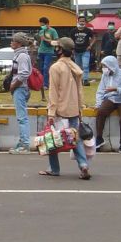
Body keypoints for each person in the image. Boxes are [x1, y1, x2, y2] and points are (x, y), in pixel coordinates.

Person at [41, 38, 90, 179]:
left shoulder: (56, 67)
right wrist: (81, 109)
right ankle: (83, 165)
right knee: (75, 139)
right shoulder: (75, 67)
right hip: (74, 109)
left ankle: (54, 169)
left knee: (52, 139)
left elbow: (53, 93)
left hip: (59, 110)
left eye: (57, 47)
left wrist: (51, 113)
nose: (55, 49)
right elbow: (80, 91)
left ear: (60, 50)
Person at [95, 55, 121, 154]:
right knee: (101, 112)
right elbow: (100, 91)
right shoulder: (105, 75)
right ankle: (99, 138)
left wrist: (116, 89)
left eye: (106, 66)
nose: (104, 69)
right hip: (111, 98)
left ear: (112, 66)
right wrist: (98, 103)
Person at [7, 32, 34, 154]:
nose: (11, 42)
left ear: (18, 43)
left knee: (22, 118)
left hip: (20, 89)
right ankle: (22, 142)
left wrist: (13, 85)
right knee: (21, 117)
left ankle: (25, 145)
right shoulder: (20, 55)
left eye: (13, 40)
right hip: (21, 88)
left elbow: (23, 74)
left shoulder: (22, 56)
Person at [36, 17, 58, 89]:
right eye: (41, 25)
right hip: (41, 51)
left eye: (43, 25)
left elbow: (56, 41)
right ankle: (40, 84)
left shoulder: (53, 31)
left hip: (49, 52)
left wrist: (47, 40)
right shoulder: (41, 31)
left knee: (46, 68)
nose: (41, 26)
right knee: (40, 68)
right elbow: (40, 40)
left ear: (47, 24)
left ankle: (46, 84)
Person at [71, 18, 94, 86]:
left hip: (85, 51)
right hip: (76, 51)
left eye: (83, 21)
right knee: (78, 66)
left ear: (85, 22)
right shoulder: (73, 31)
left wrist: (90, 45)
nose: (82, 23)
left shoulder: (88, 30)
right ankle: (79, 80)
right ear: (78, 21)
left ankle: (85, 80)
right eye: (80, 21)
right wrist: (72, 49)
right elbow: (71, 40)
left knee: (85, 65)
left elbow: (94, 38)